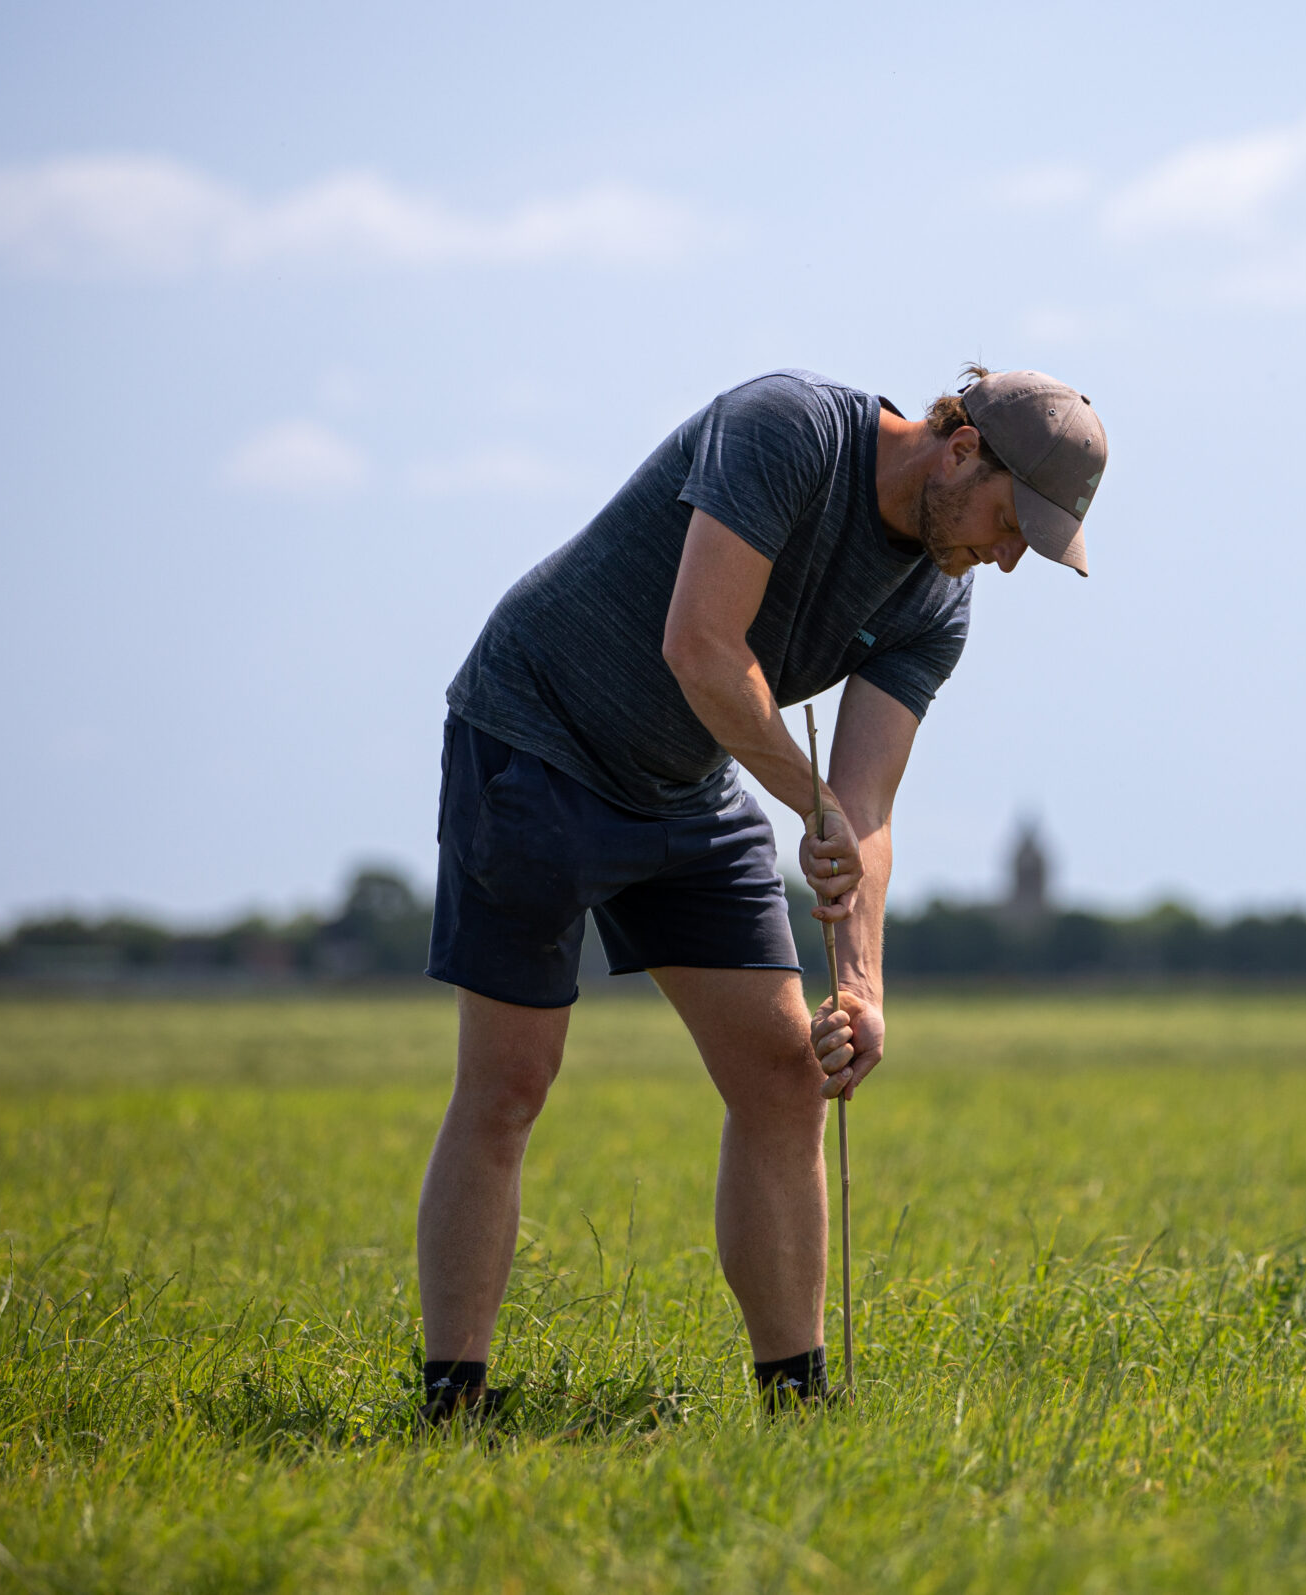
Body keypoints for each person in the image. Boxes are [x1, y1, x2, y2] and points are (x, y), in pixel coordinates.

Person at [413, 365, 1108, 1418]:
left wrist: (864, 988)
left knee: (789, 1074)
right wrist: (807, 803)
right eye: (1013, 525)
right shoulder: (785, 429)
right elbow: (699, 647)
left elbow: (862, 807)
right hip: (534, 741)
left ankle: (795, 1406)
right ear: (962, 450)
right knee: (510, 1083)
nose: (1005, 560)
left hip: (688, 785)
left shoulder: (937, 600)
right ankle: (452, 1401)